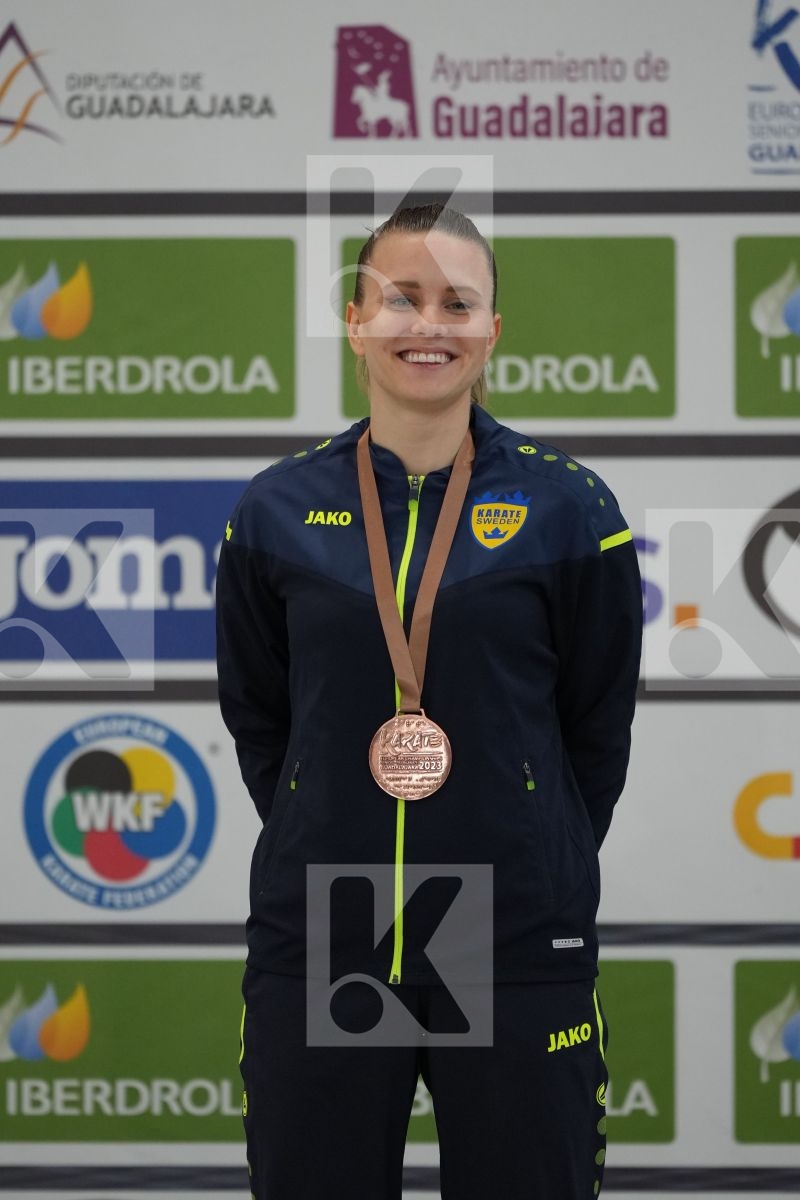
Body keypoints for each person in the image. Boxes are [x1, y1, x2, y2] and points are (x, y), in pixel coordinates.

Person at [216, 202, 642, 1200]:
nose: (429, 324)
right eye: (401, 298)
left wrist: (530, 838)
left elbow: (594, 727)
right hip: (330, 925)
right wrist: (323, 817)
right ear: (356, 321)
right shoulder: (276, 510)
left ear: (491, 330)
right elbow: (261, 718)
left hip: (508, 927)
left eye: (457, 302)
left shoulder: (567, 509)